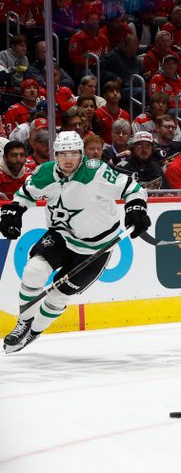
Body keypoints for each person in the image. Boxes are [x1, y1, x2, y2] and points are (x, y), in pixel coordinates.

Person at [0, 131, 150, 353]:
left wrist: (136, 209)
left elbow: (133, 189)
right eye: (62, 154)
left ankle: (35, 330)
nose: (68, 159)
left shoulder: (95, 171)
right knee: (33, 271)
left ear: (81, 154)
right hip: (62, 234)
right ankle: (23, 323)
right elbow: (25, 194)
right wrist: (15, 210)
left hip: (97, 247)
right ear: (56, 155)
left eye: (73, 153)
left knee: (58, 294)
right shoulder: (45, 172)